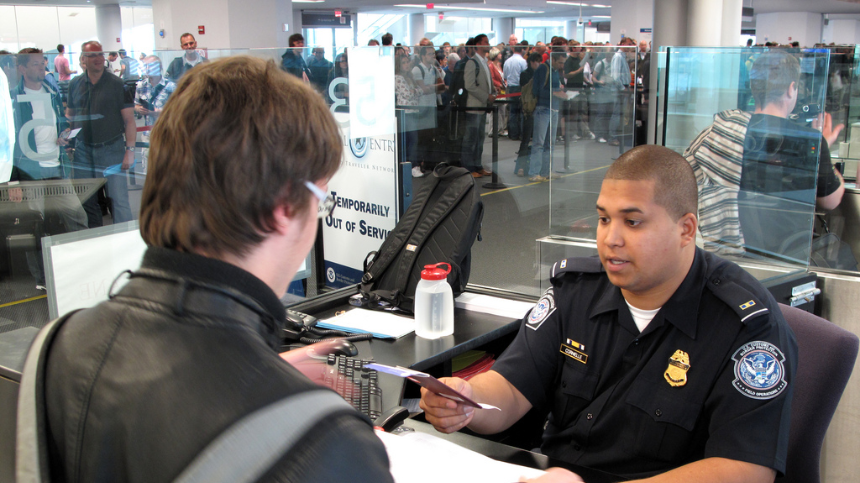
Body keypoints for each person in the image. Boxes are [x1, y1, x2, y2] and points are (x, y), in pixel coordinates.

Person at [42, 55, 394, 482]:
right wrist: (276, 393)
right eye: (321, 200)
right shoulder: (329, 444)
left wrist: (264, 370)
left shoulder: (58, 347)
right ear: (284, 207)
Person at [421, 144, 797, 483]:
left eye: (632, 222)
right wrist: (467, 402)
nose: (610, 238)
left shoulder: (747, 327)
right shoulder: (577, 290)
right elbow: (513, 387)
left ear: (686, 230)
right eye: (604, 219)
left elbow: (745, 470)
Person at [684, 51, 847, 264]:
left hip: (727, 258)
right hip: (787, 258)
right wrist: (823, 148)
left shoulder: (720, 131)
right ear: (791, 89)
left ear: (754, 87)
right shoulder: (808, 140)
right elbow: (831, 201)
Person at [10, 48, 87, 289]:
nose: (41, 67)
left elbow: (61, 121)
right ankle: (42, 279)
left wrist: (64, 134)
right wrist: (13, 181)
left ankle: (83, 265)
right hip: (30, 171)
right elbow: (8, 141)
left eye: (42, 62)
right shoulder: (13, 98)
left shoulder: (52, 92)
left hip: (56, 166)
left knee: (77, 215)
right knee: (36, 226)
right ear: (22, 69)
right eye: (34, 64)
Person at [66, 40, 135, 227]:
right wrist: (70, 141)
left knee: (118, 199)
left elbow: (129, 120)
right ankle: (94, 238)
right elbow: (71, 116)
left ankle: (125, 241)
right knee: (86, 200)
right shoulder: (75, 84)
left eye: (100, 54)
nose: (98, 58)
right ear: (83, 59)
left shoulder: (118, 84)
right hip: (83, 150)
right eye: (92, 55)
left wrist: (130, 150)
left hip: (111, 148)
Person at [528, 52, 567, 182]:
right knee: (539, 143)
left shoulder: (555, 71)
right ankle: (534, 173)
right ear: (553, 59)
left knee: (550, 143)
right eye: (560, 62)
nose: (562, 65)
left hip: (553, 109)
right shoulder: (543, 69)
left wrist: (558, 92)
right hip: (543, 109)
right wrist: (556, 93)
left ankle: (545, 171)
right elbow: (537, 90)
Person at [461, 34, 494, 178]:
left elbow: (485, 83)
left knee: (480, 139)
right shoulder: (472, 63)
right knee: (471, 139)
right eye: (485, 42)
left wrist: (492, 92)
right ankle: (468, 167)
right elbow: (470, 85)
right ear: (478, 45)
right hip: (474, 107)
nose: (488, 44)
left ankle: (477, 165)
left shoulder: (484, 63)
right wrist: (486, 96)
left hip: (481, 107)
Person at [134, 56, 176, 126]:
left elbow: (178, 109)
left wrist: (158, 113)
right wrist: (139, 109)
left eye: (150, 66)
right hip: (148, 130)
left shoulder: (170, 86)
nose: (147, 69)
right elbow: (136, 104)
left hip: (167, 129)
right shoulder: (141, 85)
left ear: (159, 67)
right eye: (145, 66)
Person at [503, 43, 527, 141]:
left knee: (512, 111)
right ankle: (522, 134)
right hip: (520, 88)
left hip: (511, 88)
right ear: (522, 50)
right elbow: (525, 75)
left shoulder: (507, 61)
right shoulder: (523, 61)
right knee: (522, 111)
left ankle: (513, 134)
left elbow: (504, 76)